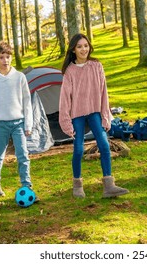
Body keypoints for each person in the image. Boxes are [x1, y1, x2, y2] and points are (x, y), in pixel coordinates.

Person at [59, 33, 129, 198]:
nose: (84, 49)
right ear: (73, 50)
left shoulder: (96, 66)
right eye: (79, 46)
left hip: (95, 112)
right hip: (77, 115)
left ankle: (109, 185)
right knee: (78, 149)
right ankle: (77, 184)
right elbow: (64, 100)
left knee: (104, 146)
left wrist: (106, 115)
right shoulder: (69, 72)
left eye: (86, 45)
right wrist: (66, 122)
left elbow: (104, 91)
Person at [0, 41, 35, 197]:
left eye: (8, 57)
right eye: (1, 57)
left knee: (23, 154)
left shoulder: (19, 77)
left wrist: (28, 124)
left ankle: (26, 185)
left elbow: (27, 102)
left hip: (18, 122)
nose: (5, 60)